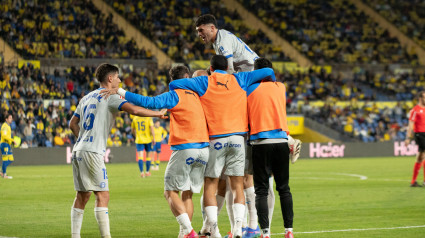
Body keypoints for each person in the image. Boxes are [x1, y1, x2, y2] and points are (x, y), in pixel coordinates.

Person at [196, 14, 301, 237]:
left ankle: (251, 227)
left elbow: (230, 71)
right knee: (241, 179)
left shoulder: (223, 41)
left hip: (252, 79)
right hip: (254, 84)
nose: (199, 35)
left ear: (212, 28)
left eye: (201, 30)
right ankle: (239, 228)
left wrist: (223, 85)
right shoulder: (219, 42)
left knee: (252, 181)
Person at [169, 55, 276, 238]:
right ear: (228, 66)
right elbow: (268, 71)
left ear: (211, 67)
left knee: (211, 185)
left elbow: (174, 85)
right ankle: (237, 229)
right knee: (237, 186)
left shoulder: (205, 82)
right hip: (238, 139)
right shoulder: (239, 78)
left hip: (216, 139)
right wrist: (272, 82)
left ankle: (213, 229)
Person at [101, 65, 209, 238]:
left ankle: (189, 232)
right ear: (188, 77)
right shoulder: (198, 95)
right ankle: (185, 233)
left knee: (170, 191)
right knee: (187, 194)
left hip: (186, 147)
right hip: (204, 149)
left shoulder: (174, 94)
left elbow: (148, 102)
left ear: (173, 81)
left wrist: (120, 91)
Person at [68, 63, 166, 238]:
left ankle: (75, 236)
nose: (120, 80)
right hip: (93, 152)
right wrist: (157, 114)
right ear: (110, 78)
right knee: (103, 196)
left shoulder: (85, 98)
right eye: (118, 77)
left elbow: (72, 124)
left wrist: (83, 139)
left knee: (82, 196)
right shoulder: (110, 96)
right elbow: (134, 110)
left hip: (79, 150)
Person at [249, 58, 294, 238]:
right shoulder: (280, 87)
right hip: (281, 142)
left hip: (261, 142)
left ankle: (265, 233)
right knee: (284, 188)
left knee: (261, 190)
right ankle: (289, 231)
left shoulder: (249, 89)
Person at [405, 91, 425, 187]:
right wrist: (408, 138)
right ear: (420, 98)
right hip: (420, 135)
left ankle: (413, 182)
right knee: (422, 155)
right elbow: (410, 125)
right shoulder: (415, 110)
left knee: (420, 157)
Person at [1, 114, 15, 179]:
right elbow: (4, 136)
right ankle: (4, 174)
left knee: (11, 159)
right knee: (5, 159)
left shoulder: (8, 126)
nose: (11, 119)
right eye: (10, 118)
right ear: (6, 119)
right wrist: (12, 140)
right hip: (4, 143)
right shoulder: (5, 126)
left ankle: (2, 172)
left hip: (7, 144)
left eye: (11, 118)